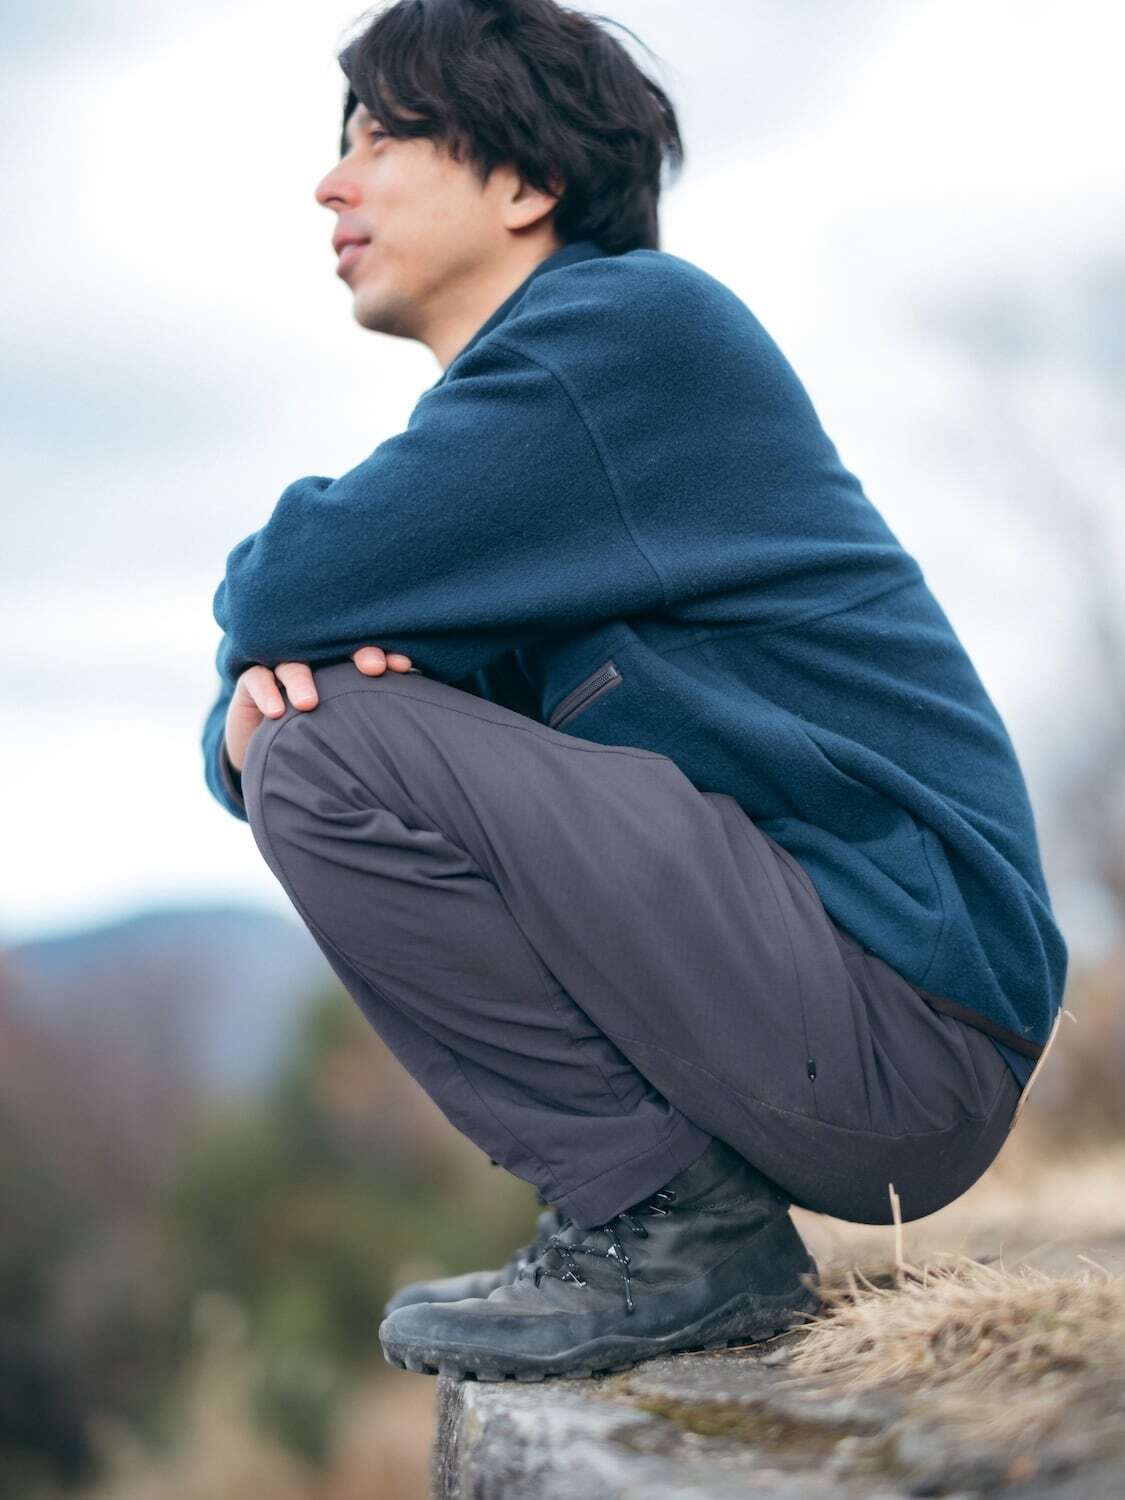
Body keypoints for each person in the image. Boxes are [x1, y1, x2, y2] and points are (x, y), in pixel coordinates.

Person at [200, 0, 1068, 1383]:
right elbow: (310, 656)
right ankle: (651, 1221)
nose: (331, 182)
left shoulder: (624, 335)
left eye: (381, 137)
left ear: (528, 181)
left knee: (322, 753)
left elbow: (283, 590)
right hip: (851, 1025)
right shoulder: (544, 453)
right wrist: (245, 720)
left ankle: (673, 1230)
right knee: (316, 744)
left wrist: (268, 704)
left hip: (902, 1016)